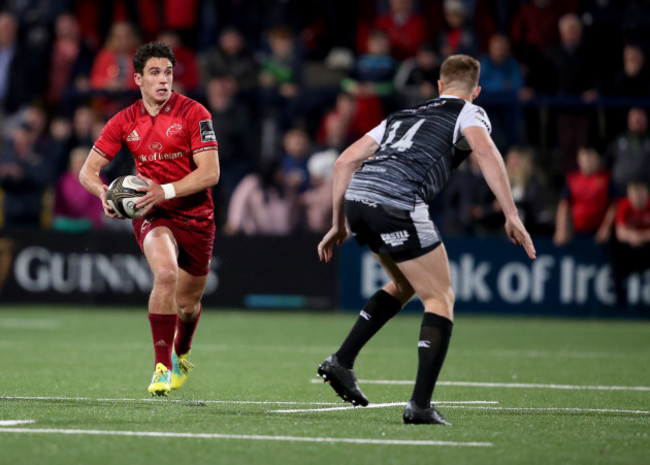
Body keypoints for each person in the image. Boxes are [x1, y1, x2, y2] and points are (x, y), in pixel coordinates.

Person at [316, 54, 536, 425]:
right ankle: (419, 405)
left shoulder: (402, 115)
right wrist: (512, 214)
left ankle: (341, 361)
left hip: (359, 198)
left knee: (404, 284)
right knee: (440, 297)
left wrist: (339, 223)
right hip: (397, 201)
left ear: (438, 85)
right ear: (476, 91)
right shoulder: (470, 112)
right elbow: (484, 150)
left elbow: (343, 162)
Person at [79, 41, 220, 396]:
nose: (163, 80)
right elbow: (88, 171)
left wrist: (167, 190)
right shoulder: (124, 120)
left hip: (195, 214)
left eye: (168, 73)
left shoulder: (195, 113)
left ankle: (182, 352)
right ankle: (161, 367)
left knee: (188, 306)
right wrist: (104, 196)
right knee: (165, 273)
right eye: (155, 73)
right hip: (151, 212)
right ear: (138, 79)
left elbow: (210, 173)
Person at [553, 147, 617, 246]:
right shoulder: (572, 179)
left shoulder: (606, 179)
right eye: (584, 159)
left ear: (597, 159)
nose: (587, 162)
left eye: (590, 158)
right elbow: (564, 205)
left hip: (600, 232)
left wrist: (606, 228)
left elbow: (614, 205)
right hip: (577, 231)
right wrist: (561, 230)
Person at [611, 179, 650, 308]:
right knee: (616, 266)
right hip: (630, 250)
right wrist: (634, 237)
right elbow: (620, 233)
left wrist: (639, 236)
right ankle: (620, 306)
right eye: (634, 195)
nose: (637, 199)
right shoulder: (624, 205)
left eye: (640, 195)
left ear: (646, 194)